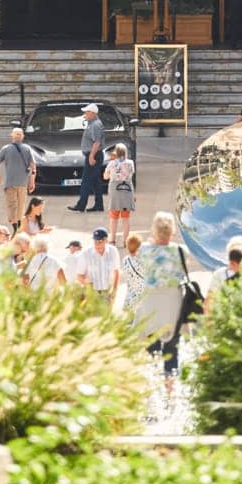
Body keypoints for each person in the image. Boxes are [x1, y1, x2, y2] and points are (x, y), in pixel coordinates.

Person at [132, 212, 186, 376]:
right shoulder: (180, 251)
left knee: (151, 350)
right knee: (172, 351)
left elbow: (139, 258)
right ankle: (170, 390)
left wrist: (152, 242)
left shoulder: (145, 250)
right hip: (173, 305)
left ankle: (153, 387)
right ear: (172, 232)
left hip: (151, 305)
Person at [0, 125, 37, 231]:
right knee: (21, 206)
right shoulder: (27, 149)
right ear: (23, 137)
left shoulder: (6, 148)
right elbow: (33, 166)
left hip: (10, 183)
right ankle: (18, 228)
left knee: (11, 206)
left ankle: (15, 228)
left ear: (12, 136)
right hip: (23, 182)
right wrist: (32, 182)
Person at [71, 102, 106, 213]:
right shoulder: (93, 123)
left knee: (86, 181)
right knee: (95, 182)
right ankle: (99, 205)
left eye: (86, 112)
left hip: (94, 155)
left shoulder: (95, 125)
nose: (85, 114)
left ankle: (81, 205)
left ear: (93, 113)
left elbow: (97, 142)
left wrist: (91, 156)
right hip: (94, 154)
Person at [105, 142, 136, 245]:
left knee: (114, 217)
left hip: (115, 190)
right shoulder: (130, 163)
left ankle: (112, 240)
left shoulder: (112, 163)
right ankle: (126, 241)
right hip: (127, 190)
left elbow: (106, 176)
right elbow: (130, 175)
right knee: (125, 218)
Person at [78, 226, 120, 300]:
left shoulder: (113, 251)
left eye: (100, 241)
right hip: (92, 293)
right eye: (95, 241)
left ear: (106, 240)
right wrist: (88, 285)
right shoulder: (85, 254)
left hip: (108, 292)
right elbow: (79, 275)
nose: (97, 244)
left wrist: (114, 289)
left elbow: (116, 271)